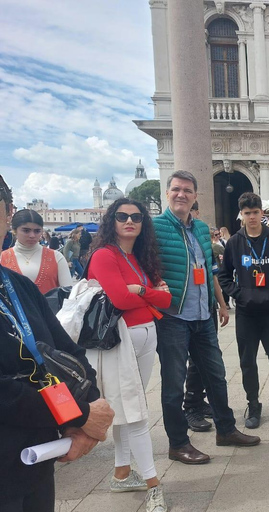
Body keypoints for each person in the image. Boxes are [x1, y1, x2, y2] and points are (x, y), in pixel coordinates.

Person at [0, 175, 114, 511]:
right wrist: (78, 415)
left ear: (8, 213)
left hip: (35, 457)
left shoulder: (18, 286)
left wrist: (87, 416)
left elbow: (66, 353)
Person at [153, 171, 259, 465]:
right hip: (172, 316)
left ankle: (226, 430)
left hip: (203, 315)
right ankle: (178, 443)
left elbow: (208, 270)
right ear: (167, 193)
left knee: (216, 375)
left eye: (187, 190)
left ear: (195, 196)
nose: (181, 194)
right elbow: (144, 263)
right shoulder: (154, 227)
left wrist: (221, 303)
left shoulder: (200, 228)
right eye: (176, 189)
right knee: (173, 384)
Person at [87, 198, 172, 511]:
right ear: (112, 220)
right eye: (122, 216)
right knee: (134, 412)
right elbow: (121, 298)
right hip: (120, 340)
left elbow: (166, 299)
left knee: (127, 407)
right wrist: (145, 293)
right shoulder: (104, 255)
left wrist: (142, 291)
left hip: (145, 336)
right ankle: (153, 485)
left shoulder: (137, 257)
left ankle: (122, 473)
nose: (129, 221)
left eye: (136, 217)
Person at [219, 192, 269, 429]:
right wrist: (239, 293)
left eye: (255, 213)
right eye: (247, 213)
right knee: (247, 361)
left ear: (262, 214)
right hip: (246, 313)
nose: (252, 217)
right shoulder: (235, 242)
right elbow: (223, 275)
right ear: (241, 215)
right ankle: (253, 402)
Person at [1, 210, 72, 294]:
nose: (32, 235)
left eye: (37, 231)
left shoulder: (56, 257)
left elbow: (68, 294)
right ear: (14, 230)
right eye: (26, 231)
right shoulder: (2, 258)